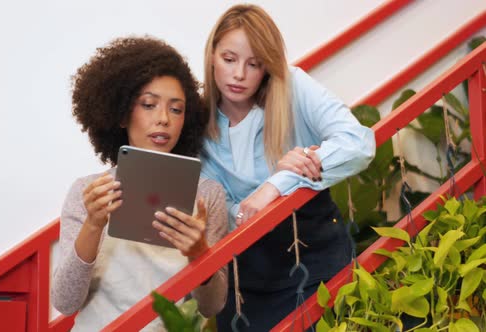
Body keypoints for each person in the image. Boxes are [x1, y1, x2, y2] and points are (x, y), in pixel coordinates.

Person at [199, 4, 376, 331]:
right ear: (211, 56)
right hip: (245, 288)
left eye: (254, 64)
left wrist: (278, 183)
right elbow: (220, 215)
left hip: (317, 263)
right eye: (229, 59)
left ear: (267, 65)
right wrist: (251, 205)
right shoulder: (196, 123)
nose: (239, 74)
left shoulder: (291, 85)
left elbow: (358, 143)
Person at [51, 37, 228, 332]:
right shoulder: (89, 192)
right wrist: (93, 224)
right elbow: (65, 302)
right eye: (148, 104)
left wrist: (199, 253)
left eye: (176, 109)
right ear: (121, 114)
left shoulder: (207, 195)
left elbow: (213, 306)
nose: (163, 119)